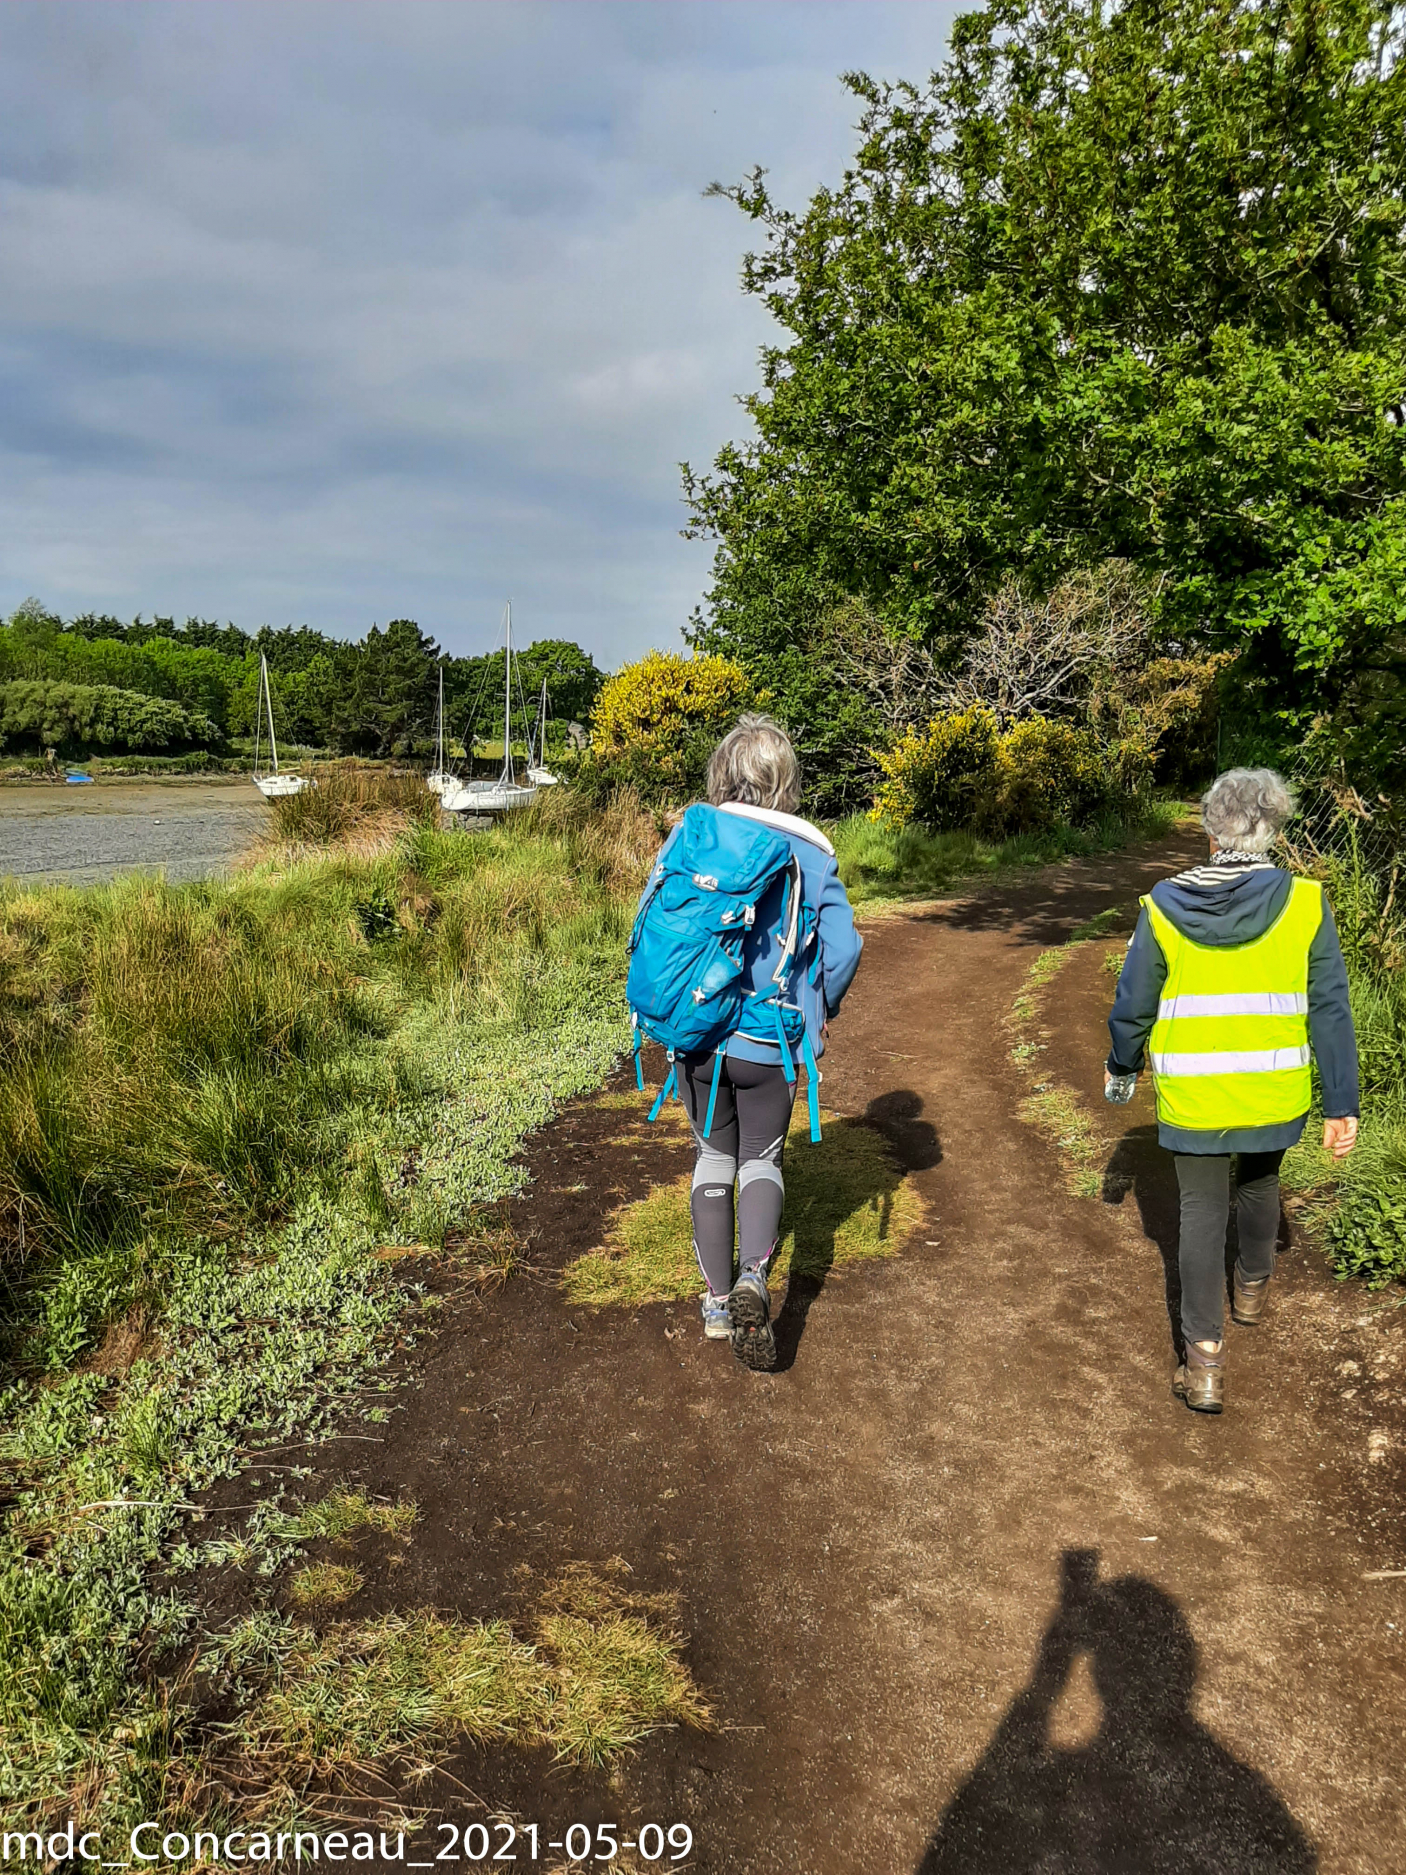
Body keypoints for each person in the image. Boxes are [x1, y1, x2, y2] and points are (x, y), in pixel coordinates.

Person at [1105, 768, 1359, 1413]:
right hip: (1273, 1087)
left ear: (1210, 829)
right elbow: (1330, 1008)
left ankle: (1205, 1363)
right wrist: (1341, 1101)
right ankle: (1250, 1288)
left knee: (1198, 1211)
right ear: (1271, 828)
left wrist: (1121, 1067)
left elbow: (1133, 1002)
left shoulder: (1161, 903)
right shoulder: (1306, 902)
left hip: (1194, 1093)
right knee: (1261, 1182)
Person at [636, 714, 863, 1370]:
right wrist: (820, 1008)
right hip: (769, 1039)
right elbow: (845, 948)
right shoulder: (811, 851)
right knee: (762, 1159)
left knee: (712, 1158)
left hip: (698, 1034)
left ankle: (714, 1303)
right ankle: (752, 1281)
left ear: (723, 773)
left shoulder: (690, 833)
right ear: (784, 780)